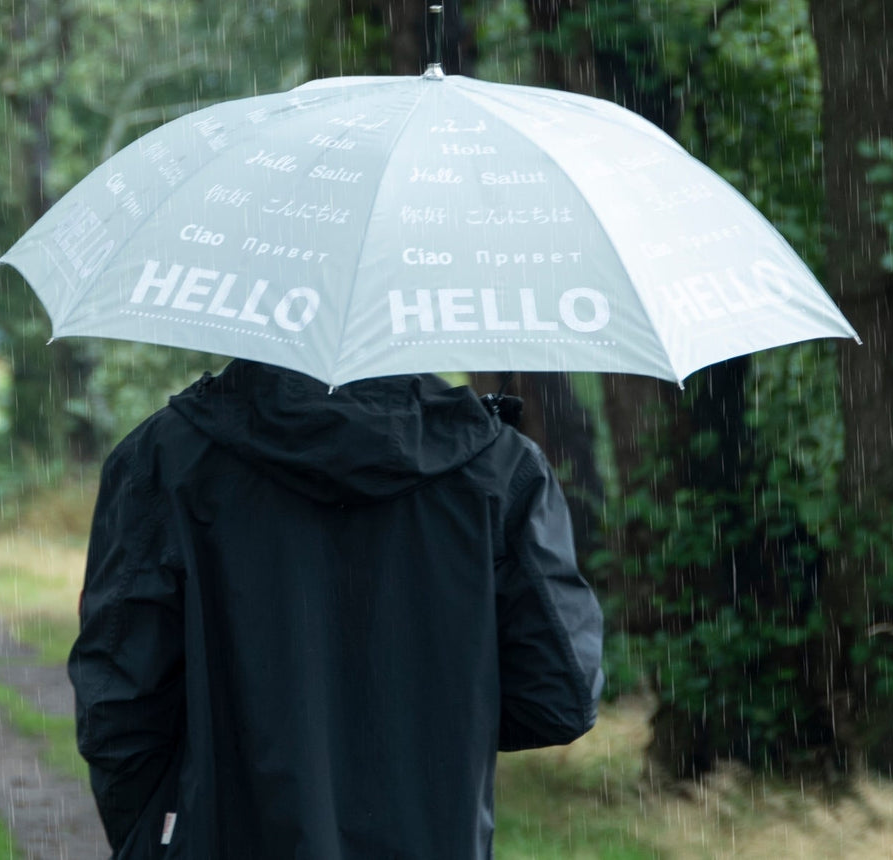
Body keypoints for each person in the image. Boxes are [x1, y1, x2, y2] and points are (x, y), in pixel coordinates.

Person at [69, 358, 604, 859]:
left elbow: (118, 705)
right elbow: (559, 698)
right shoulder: (502, 468)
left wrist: (159, 835)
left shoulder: (167, 455)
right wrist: (437, 719)